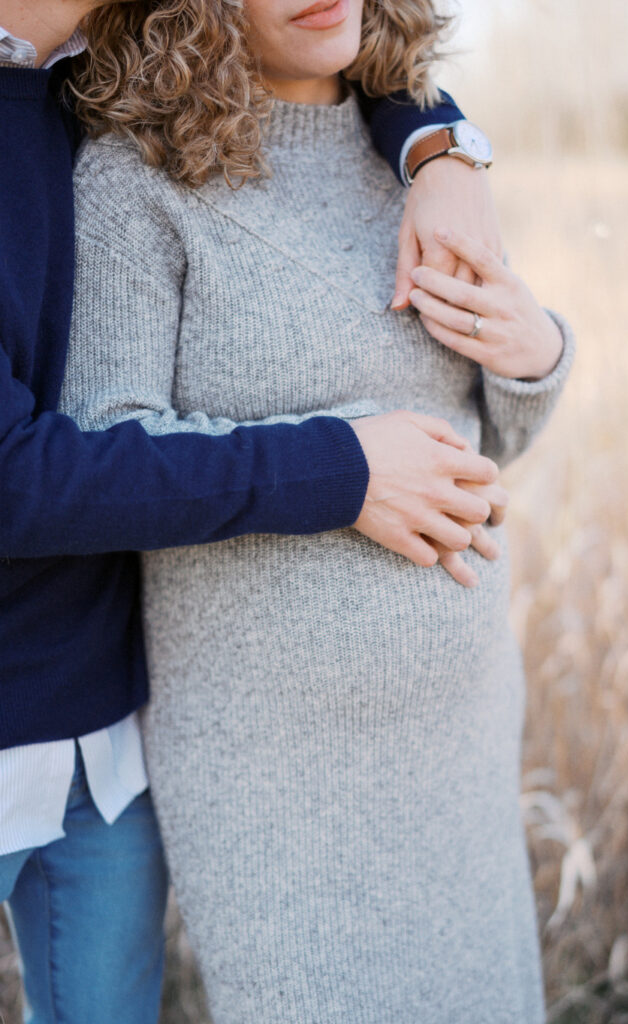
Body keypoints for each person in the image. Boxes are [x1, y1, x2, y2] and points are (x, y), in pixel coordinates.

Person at [61, 0, 576, 1021]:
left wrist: (538, 358)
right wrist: (339, 463)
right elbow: (106, 451)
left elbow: (481, 437)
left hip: (458, 738)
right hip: (272, 769)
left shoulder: (425, 160)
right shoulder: (137, 186)